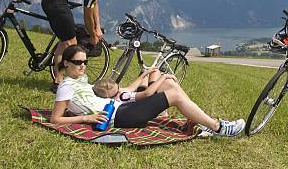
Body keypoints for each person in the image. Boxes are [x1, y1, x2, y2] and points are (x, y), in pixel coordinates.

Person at [50, 45, 245, 137]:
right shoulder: (66, 86)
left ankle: (206, 124)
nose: (83, 66)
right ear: (66, 63)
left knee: (170, 86)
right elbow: (55, 119)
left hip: (121, 108)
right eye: (78, 62)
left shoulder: (80, 79)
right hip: (118, 116)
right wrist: (87, 118)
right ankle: (220, 128)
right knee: (174, 94)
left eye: (85, 61)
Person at [42, 0, 124, 92]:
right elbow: (87, 17)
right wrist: (92, 35)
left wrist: (97, 28)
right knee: (72, 45)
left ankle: (58, 82)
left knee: (64, 43)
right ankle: (67, 85)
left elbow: (95, 4)